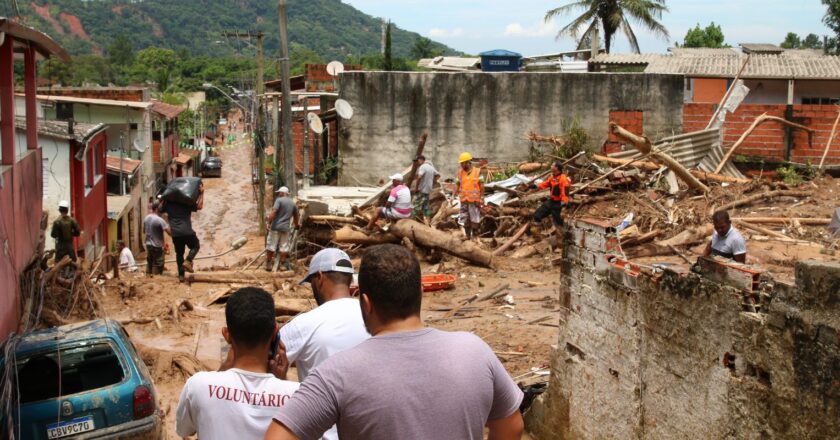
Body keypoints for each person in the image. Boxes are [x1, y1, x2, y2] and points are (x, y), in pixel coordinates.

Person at [265, 244, 524, 440]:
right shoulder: (475, 351)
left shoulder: (337, 373)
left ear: (365, 303)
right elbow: (512, 426)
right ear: (421, 293)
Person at [176, 287, 299, 440]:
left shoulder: (197, 385)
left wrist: (223, 370)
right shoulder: (297, 396)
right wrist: (281, 382)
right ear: (275, 332)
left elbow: (183, 430)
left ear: (226, 335)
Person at [277, 248, 370, 440]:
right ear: (350, 279)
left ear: (319, 277)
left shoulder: (305, 324)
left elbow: (262, 359)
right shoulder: (375, 316)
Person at [160, 183, 203, 282]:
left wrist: (163, 197)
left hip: (175, 234)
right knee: (196, 246)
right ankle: (188, 261)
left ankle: (181, 276)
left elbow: (159, 208)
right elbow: (200, 206)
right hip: (187, 231)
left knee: (179, 253)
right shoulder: (186, 202)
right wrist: (201, 194)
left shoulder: (167, 204)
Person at [529, 161, 572, 230]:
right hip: (552, 201)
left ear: (556, 168)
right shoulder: (552, 177)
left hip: (559, 203)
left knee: (558, 221)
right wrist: (535, 186)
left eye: (552, 165)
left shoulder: (563, 179)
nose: (551, 166)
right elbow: (545, 184)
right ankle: (538, 228)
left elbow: (565, 193)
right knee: (538, 214)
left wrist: (564, 204)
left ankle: (565, 231)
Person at [266, 186, 300, 271]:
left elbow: (274, 212)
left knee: (271, 245)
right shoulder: (292, 203)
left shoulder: (279, 200)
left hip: (275, 227)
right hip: (285, 228)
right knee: (284, 247)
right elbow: (296, 216)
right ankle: (282, 265)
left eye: (279, 192)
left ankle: (269, 264)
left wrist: (268, 222)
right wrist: (296, 225)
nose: (279, 194)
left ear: (282, 193)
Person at [454, 152, 485, 240]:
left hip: (474, 200)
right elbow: (457, 184)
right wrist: (453, 196)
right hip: (464, 200)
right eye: (461, 163)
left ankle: (475, 237)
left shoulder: (477, 171)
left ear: (468, 162)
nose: (461, 164)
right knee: (465, 218)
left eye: (462, 163)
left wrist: (482, 197)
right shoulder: (460, 173)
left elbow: (482, 185)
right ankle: (467, 236)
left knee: (475, 219)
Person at [143, 201, 171, 276]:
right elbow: (170, 233)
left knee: (150, 262)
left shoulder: (146, 218)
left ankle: (148, 278)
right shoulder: (160, 220)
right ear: (157, 209)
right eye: (161, 207)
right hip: (157, 246)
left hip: (148, 244)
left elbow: (144, 231)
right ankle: (155, 279)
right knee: (158, 264)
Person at [411, 155, 440, 223]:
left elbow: (419, 177)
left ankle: (413, 221)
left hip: (422, 190)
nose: (417, 163)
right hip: (428, 190)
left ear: (421, 160)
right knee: (426, 207)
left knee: (414, 206)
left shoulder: (423, 166)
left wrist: (416, 188)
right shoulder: (431, 167)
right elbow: (438, 175)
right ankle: (428, 221)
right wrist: (433, 182)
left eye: (417, 161)